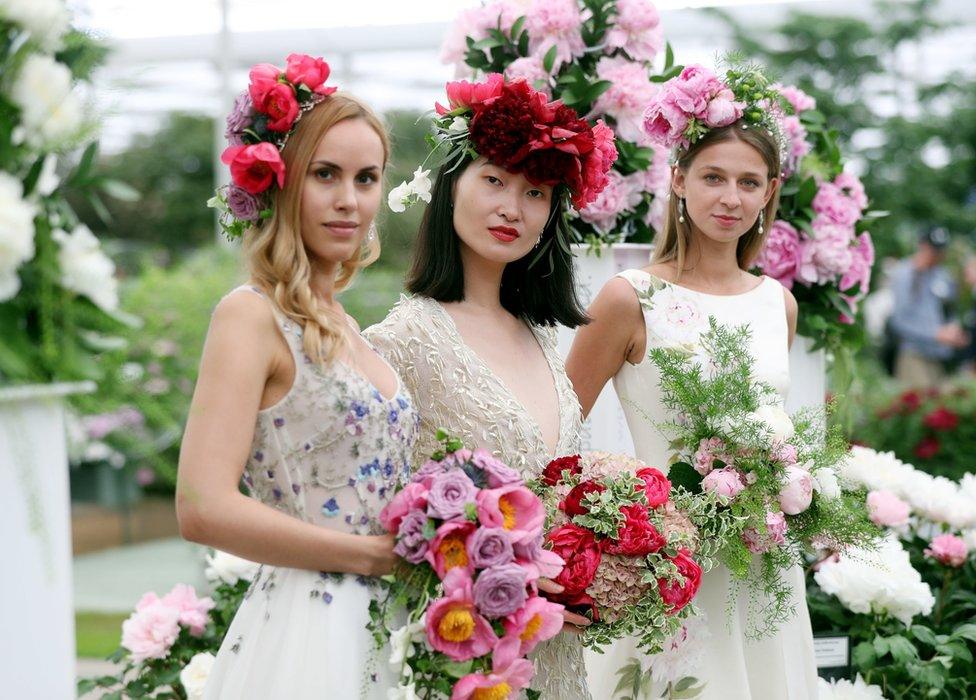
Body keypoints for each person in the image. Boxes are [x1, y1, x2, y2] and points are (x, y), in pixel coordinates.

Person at [566, 64, 818, 699]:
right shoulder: (631, 298)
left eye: (748, 182)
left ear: (770, 193)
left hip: (763, 561)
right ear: (678, 180)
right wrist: (606, 525)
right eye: (713, 177)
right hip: (667, 561)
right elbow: (558, 420)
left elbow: (769, 424)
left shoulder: (777, 303)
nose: (729, 198)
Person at [364, 73, 617, 700]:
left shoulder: (541, 334)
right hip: (460, 656)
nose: (512, 207)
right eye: (494, 180)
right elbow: (384, 524)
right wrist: (508, 570)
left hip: (554, 651)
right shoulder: (401, 341)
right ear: (451, 189)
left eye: (535, 191)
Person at [175, 54, 418, 699]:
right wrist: (366, 555)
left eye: (366, 179)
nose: (349, 200)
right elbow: (202, 507)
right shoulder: (250, 317)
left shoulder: (348, 328)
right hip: (310, 634)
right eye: (325, 174)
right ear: (280, 183)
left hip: (393, 630)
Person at [888, 226, 967, 388]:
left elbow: (950, 309)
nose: (937, 255)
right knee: (920, 405)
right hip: (914, 354)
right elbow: (898, 321)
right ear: (922, 246)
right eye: (933, 250)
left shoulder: (943, 275)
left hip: (939, 356)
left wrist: (954, 330)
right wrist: (934, 334)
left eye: (940, 250)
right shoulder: (904, 274)